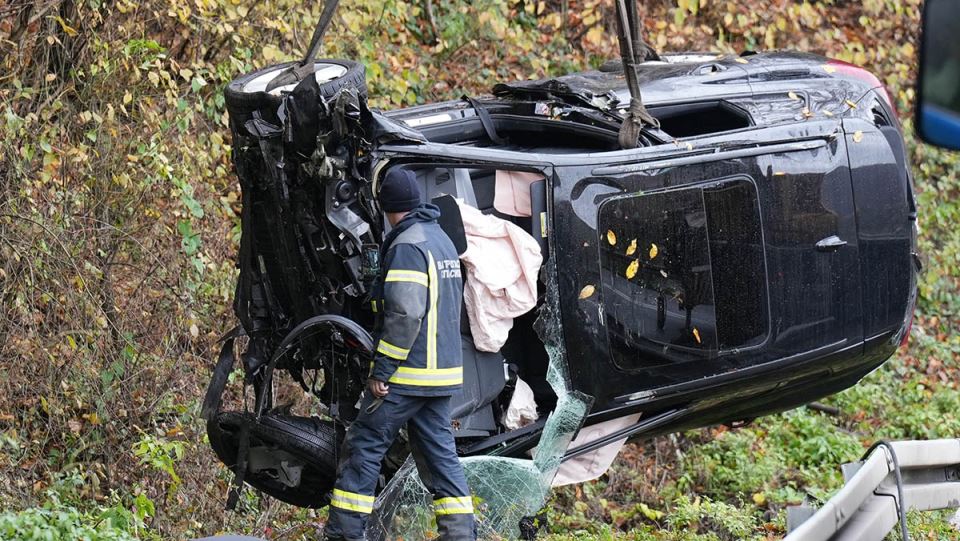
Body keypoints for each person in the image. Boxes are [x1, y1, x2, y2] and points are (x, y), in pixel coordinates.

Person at [323, 168, 475, 541]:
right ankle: (460, 536)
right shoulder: (440, 240)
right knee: (441, 459)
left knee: (364, 444)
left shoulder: (408, 245)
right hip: (440, 378)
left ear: (388, 208)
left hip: (407, 376)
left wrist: (382, 370)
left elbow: (405, 314)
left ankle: (345, 534)